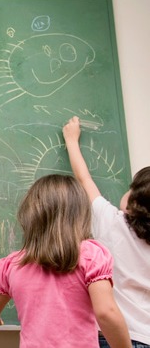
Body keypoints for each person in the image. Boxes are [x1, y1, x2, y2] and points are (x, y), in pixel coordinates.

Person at [0, 174, 132, 348]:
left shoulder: (14, 264)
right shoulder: (91, 256)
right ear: (80, 214)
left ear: (30, 215)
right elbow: (106, 312)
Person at [63, 116, 150, 347]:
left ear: (133, 201)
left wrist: (72, 141)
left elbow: (84, 179)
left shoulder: (113, 223)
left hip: (112, 336)